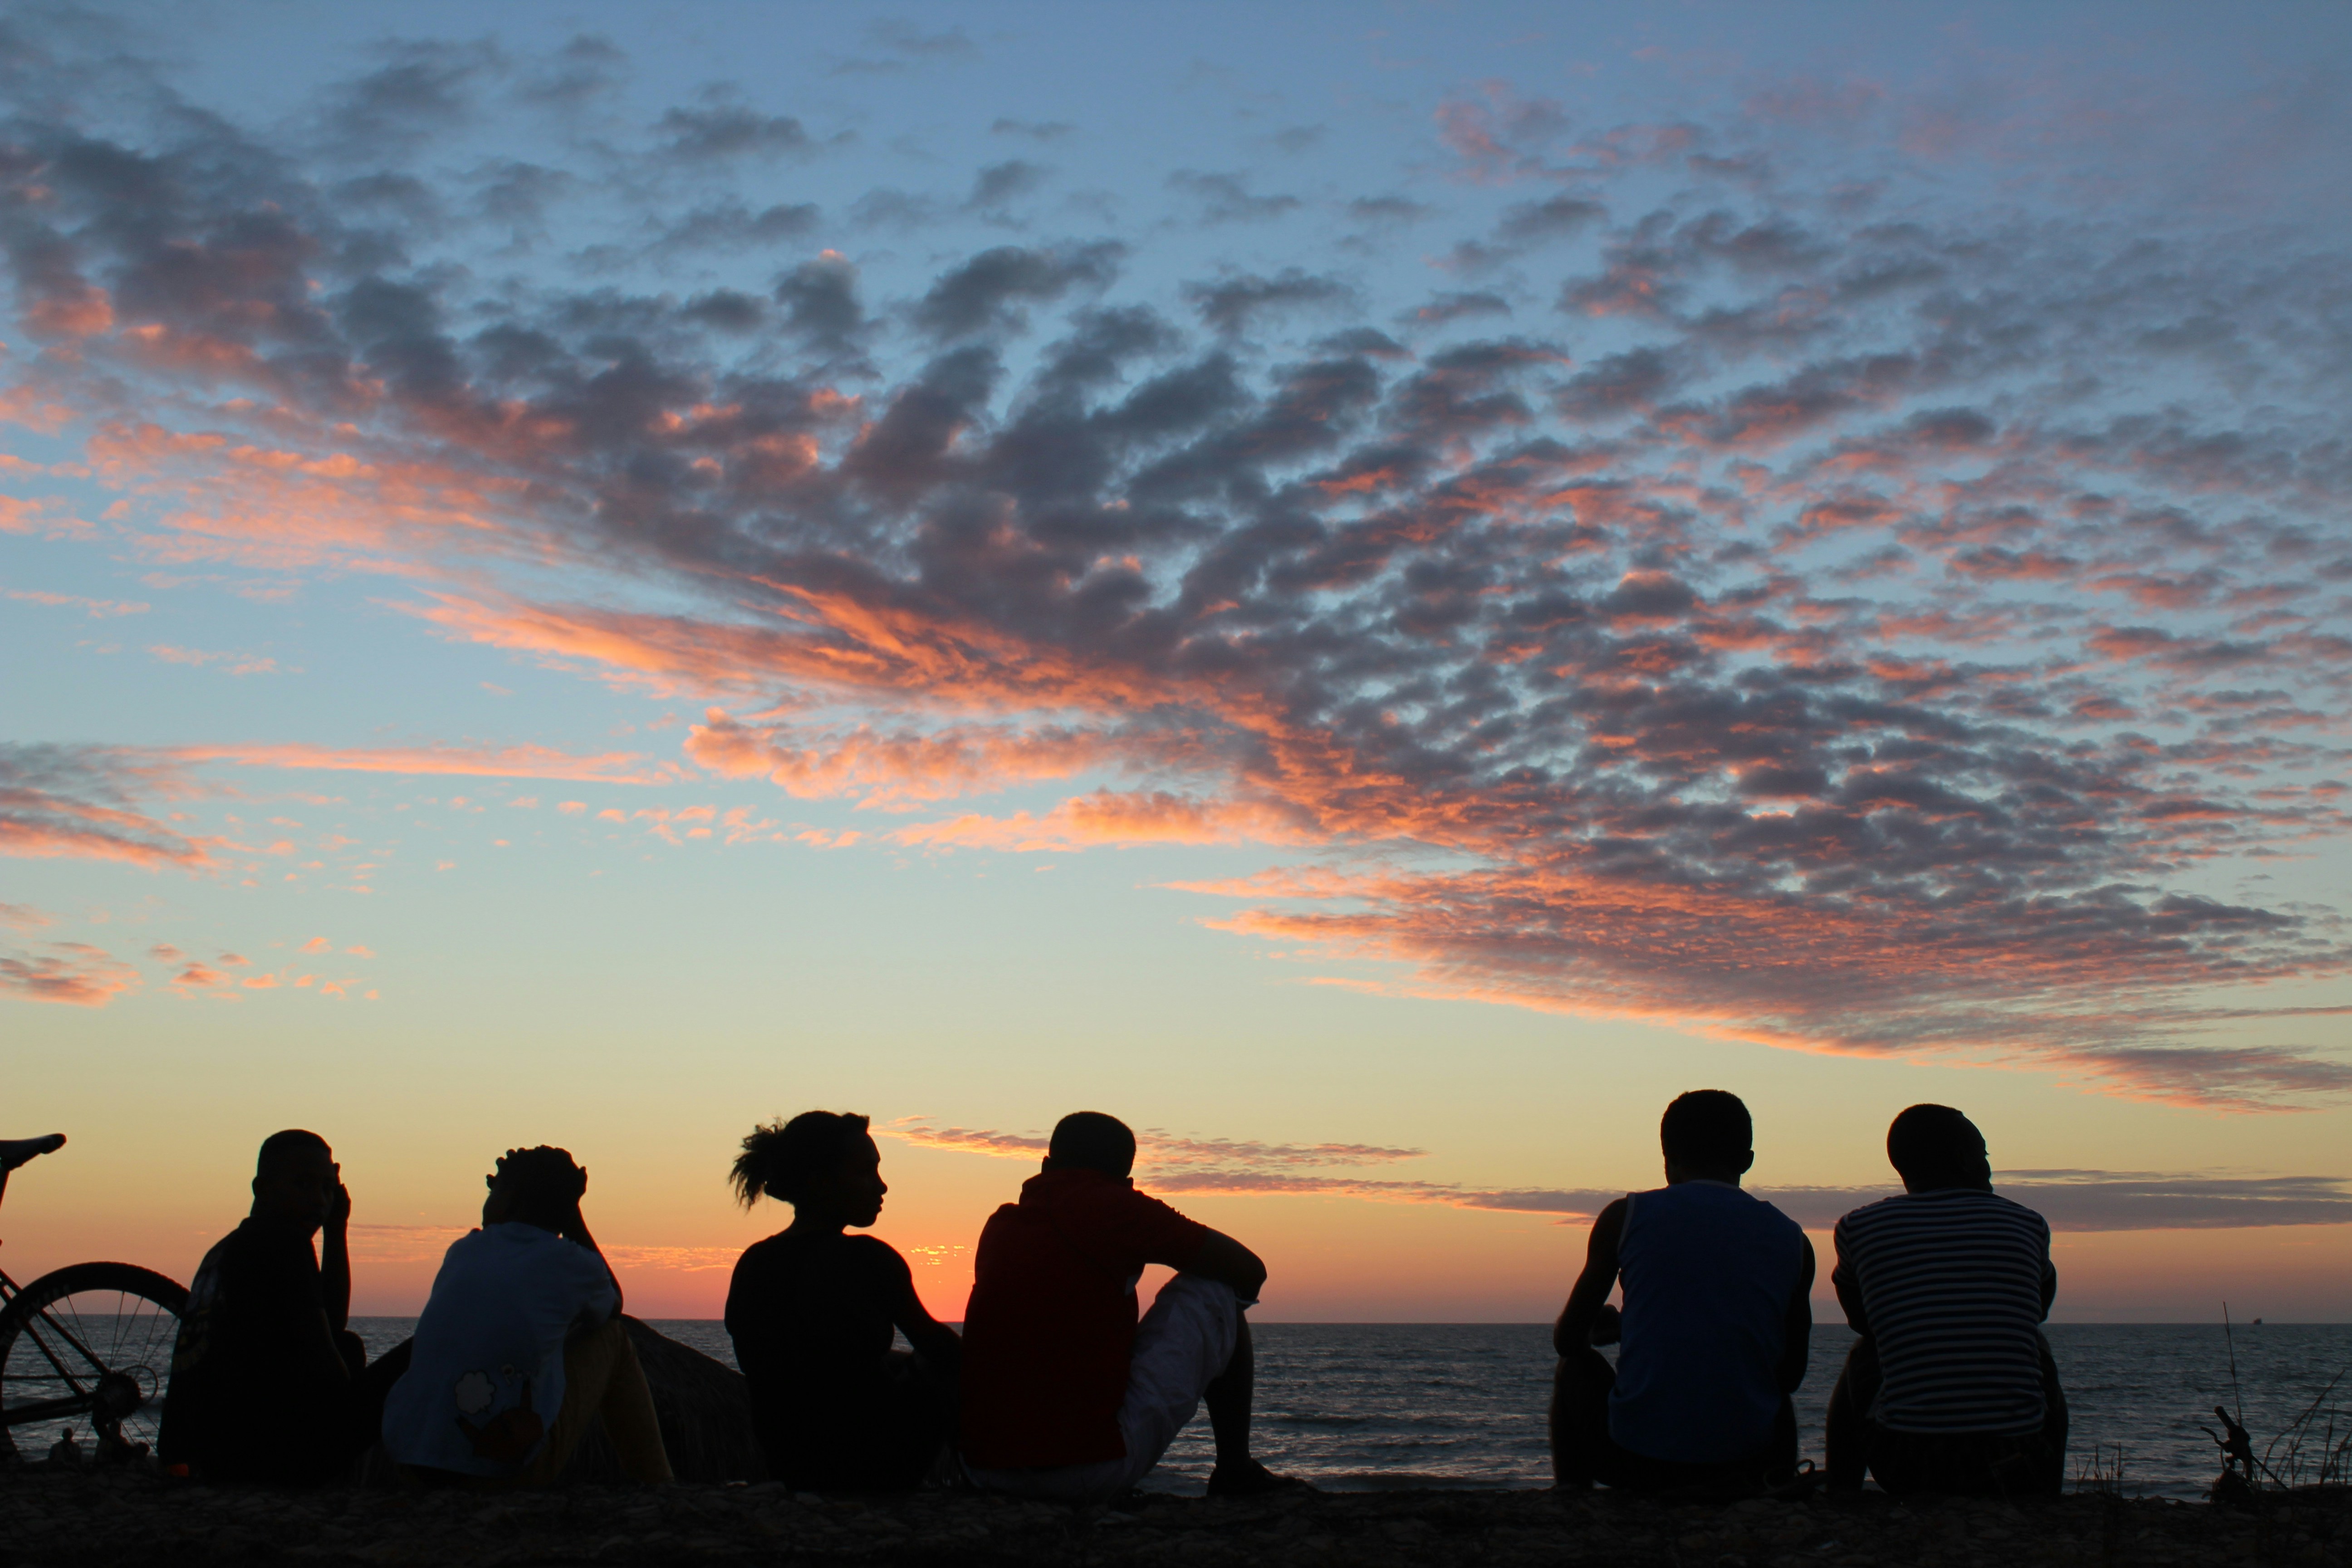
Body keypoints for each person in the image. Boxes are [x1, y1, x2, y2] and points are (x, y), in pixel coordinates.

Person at [958, 1111, 1301, 1503]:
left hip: (982, 1469)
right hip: (1082, 1473)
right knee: (1214, 1290)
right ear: (1127, 1182)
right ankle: (1235, 1470)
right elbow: (1248, 1271)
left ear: (1045, 1166)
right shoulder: (1118, 1206)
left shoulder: (1000, 1225)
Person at [1551, 1090, 1813, 1491]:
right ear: (1746, 1160)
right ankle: (1778, 1482)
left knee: (1576, 1367)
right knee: (1774, 1390)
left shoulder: (1626, 1217)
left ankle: (1573, 1495)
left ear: (1667, 1160)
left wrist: (1610, 1329)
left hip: (1636, 1463)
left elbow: (1568, 1341)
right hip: (1745, 1468)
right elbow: (1791, 1373)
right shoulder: (1792, 1239)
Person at [381, 1146, 672, 1486]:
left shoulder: (463, 1251)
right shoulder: (572, 1263)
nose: (488, 1198)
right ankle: (658, 1484)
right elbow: (613, 1306)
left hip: (413, 1462)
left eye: (493, 1186)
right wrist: (572, 1215)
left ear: (511, 1202)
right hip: (507, 1470)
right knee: (614, 1338)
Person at [1826, 1104, 2066, 1496]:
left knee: (1864, 1353)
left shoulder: (1859, 1227)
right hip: (2019, 1465)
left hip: (1909, 1467)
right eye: (1985, 1155)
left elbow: (1861, 1321)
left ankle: (1840, 1492)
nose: (1989, 1166)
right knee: (2037, 1348)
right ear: (1964, 1160)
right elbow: (2037, 1310)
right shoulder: (2027, 1223)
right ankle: (2048, 1495)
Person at [157, 1130, 412, 1483]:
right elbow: (328, 1375)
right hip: (262, 1458)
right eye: (303, 1185)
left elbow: (331, 1324)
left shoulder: (228, 1248)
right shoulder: (282, 1242)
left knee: (348, 1346)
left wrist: (336, 1228)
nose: (318, 1201)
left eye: (327, 1189)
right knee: (428, 1345)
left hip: (210, 1456)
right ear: (261, 1189)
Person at [723, 1111, 961, 1490]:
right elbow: (941, 1350)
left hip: (791, 1464)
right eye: (865, 1172)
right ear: (820, 1182)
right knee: (938, 1366)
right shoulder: (869, 1259)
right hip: (874, 1464)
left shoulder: (754, 1262)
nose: (881, 1187)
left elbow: (799, 1360)